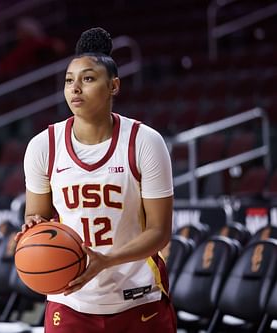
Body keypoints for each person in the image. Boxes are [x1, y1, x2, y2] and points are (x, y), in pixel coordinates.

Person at [15, 28, 175, 332]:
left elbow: (160, 231)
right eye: (69, 80)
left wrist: (106, 259)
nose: (75, 88)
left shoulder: (144, 142)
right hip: (70, 300)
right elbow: (37, 216)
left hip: (138, 298)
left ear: (113, 85)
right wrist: (32, 229)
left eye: (87, 79)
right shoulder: (43, 145)